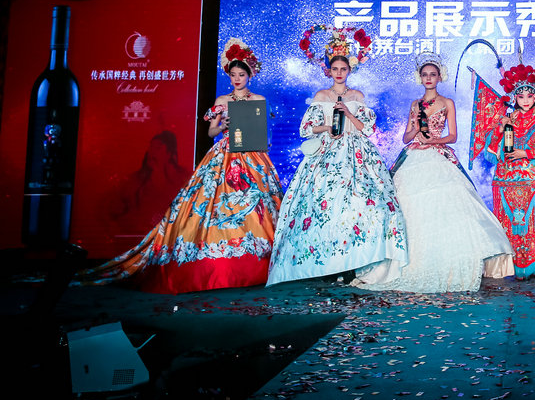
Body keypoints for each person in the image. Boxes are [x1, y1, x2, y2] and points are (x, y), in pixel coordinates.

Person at [80, 39, 282, 293]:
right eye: (233, 75)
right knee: (214, 205)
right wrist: (223, 125)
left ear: (249, 75)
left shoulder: (259, 99)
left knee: (257, 206)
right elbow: (211, 132)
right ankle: (219, 261)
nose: (237, 79)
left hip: (253, 156)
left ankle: (260, 263)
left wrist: (260, 141)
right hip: (225, 155)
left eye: (241, 75)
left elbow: (266, 133)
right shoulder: (222, 100)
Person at [354, 52, 513, 293]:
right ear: (420, 78)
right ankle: (409, 260)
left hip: (438, 155)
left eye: (433, 74)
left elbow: (453, 136)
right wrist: (416, 128)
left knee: (449, 205)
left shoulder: (447, 102)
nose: (428, 78)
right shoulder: (415, 104)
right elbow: (406, 137)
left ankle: (448, 260)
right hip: (414, 155)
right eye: (425, 75)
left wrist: (433, 140)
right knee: (408, 205)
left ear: (439, 77)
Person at [267, 27, 407, 286]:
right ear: (329, 71)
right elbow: (306, 128)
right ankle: (328, 264)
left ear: (349, 70)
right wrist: (327, 128)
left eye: (343, 69)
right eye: (335, 69)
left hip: (356, 153)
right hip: (327, 153)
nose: (339, 73)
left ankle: (353, 262)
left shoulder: (357, 96)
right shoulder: (321, 96)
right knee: (325, 205)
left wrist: (348, 112)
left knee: (361, 204)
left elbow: (367, 128)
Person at [482, 63, 535, 280]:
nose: (525, 100)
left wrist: (527, 153)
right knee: (513, 224)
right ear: (514, 98)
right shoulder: (508, 119)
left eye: (529, 96)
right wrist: (500, 129)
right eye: (520, 96)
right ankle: (516, 266)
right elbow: (491, 152)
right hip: (508, 179)